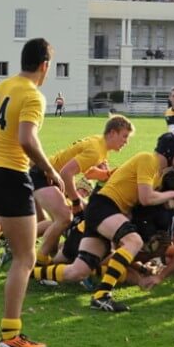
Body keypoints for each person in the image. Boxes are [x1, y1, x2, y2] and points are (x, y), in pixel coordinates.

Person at [0, 38, 63, 347]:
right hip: (10, 176)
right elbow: (27, 139)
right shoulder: (33, 95)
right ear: (45, 65)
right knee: (25, 257)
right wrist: (51, 171)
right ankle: (10, 334)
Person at [32, 133, 174, 312]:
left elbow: (147, 201)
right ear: (169, 151)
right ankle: (102, 295)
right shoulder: (148, 160)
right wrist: (173, 194)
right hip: (105, 206)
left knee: (77, 272)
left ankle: (29, 274)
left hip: (104, 211)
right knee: (133, 241)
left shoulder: (157, 174)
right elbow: (146, 198)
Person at [31, 114, 134, 267]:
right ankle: (39, 261)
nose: (126, 142)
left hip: (51, 178)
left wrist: (108, 174)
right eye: (124, 136)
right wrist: (76, 201)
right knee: (65, 218)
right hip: (42, 176)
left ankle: (40, 253)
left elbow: (89, 173)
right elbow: (66, 173)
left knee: (64, 218)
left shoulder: (100, 145)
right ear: (112, 133)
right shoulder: (96, 151)